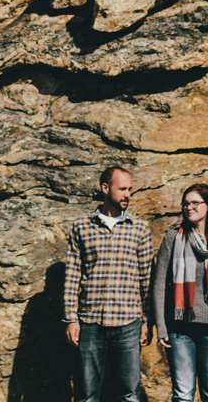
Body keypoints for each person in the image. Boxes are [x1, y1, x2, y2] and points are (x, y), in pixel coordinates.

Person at [63, 165, 154, 402]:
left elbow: (147, 279)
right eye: (122, 189)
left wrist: (146, 321)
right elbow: (72, 275)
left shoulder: (140, 228)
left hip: (128, 323)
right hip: (90, 323)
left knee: (129, 394)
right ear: (105, 188)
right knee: (86, 394)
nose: (128, 195)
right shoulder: (81, 226)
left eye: (130, 190)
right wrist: (71, 319)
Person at [150, 183, 208, 402]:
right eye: (185, 203)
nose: (189, 207)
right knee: (182, 395)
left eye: (195, 203)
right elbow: (159, 285)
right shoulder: (172, 239)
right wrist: (162, 327)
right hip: (179, 330)